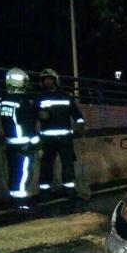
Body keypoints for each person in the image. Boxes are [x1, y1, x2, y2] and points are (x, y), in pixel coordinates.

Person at [34, 68, 85, 198]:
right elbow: (32, 117)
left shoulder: (66, 96)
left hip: (65, 138)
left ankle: (69, 190)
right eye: (45, 80)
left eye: (49, 79)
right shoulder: (39, 98)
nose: (47, 81)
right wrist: (38, 115)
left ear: (55, 80)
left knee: (68, 165)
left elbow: (76, 113)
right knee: (46, 166)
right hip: (48, 139)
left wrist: (81, 123)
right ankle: (45, 191)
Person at [0, 67, 41, 212]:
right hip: (24, 145)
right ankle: (22, 204)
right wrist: (37, 145)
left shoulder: (4, 101)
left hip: (10, 144)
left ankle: (15, 201)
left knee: (13, 174)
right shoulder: (22, 102)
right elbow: (29, 126)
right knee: (23, 175)